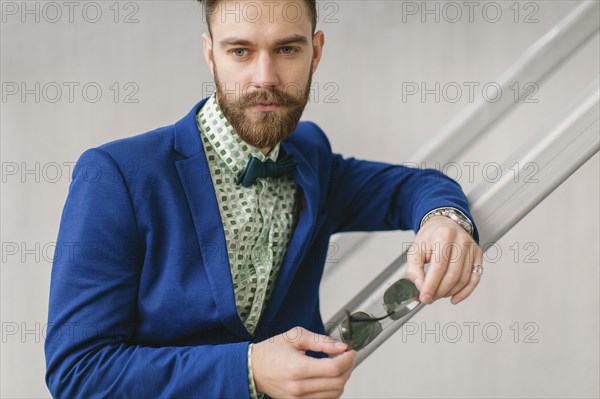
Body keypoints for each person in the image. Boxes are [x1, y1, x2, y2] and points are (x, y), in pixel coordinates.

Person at [45, 0, 484, 397]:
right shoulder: (115, 174)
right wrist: (247, 367)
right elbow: (78, 372)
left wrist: (444, 220)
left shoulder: (310, 154)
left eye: (287, 50)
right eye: (240, 51)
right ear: (209, 52)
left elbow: (412, 187)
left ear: (316, 51)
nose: (265, 79)